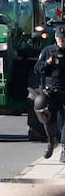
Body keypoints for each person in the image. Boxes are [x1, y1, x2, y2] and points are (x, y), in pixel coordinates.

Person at [34, 26, 65, 163]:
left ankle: (64, 149)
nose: (62, 41)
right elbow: (37, 69)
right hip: (50, 91)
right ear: (56, 38)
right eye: (60, 38)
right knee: (48, 120)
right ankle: (51, 141)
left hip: (64, 91)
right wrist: (47, 63)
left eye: (64, 39)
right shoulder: (47, 51)